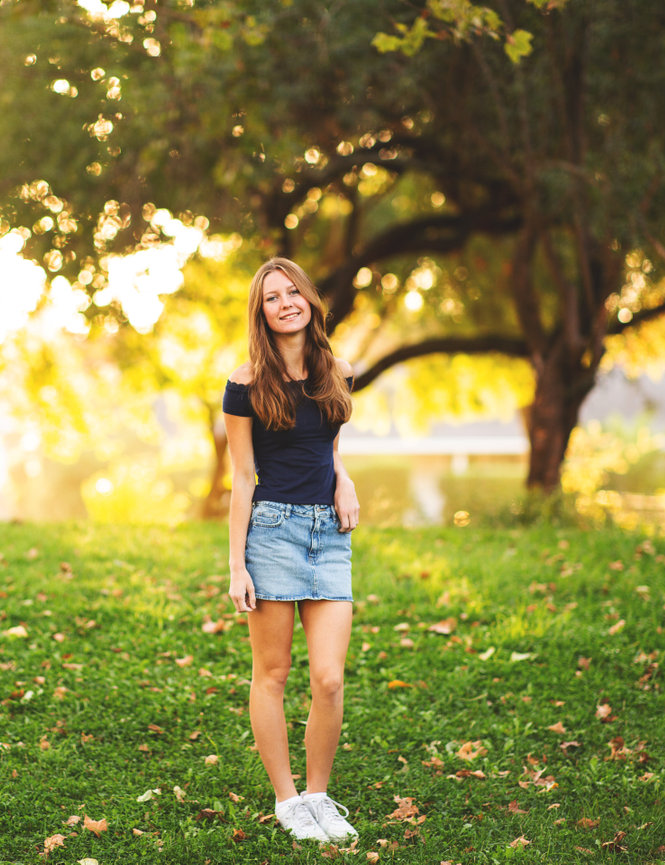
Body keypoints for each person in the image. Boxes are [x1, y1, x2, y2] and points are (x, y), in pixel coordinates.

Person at [222, 257, 360, 844]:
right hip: (272, 532)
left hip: (329, 535)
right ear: (262, 313)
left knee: (329, 678)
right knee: (272, 674)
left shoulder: (338, 371)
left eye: (293, 292)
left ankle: (319, 795)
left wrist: (345, 478)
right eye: (272, 297)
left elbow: (325, 447)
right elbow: (244, 476)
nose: (285, 303)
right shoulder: (245, 383)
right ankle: (287, 801)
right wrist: (236, 565)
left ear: (309, 300)